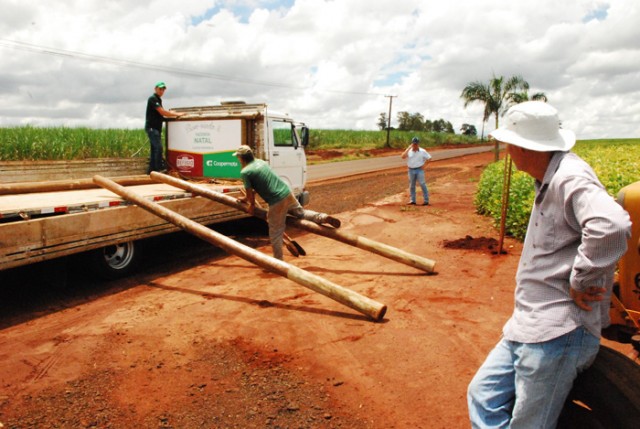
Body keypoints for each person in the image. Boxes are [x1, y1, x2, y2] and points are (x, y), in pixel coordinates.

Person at [467, 101, 631, 428]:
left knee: (530, 423)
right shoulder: (548, 176)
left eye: (510, 143)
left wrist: (581, 280)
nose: (508, 150)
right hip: (527, 322)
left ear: (525, 146)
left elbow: (612, 224)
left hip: (557, 331)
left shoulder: (569, 177)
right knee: (482, 394)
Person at [233, 145, 341, 260]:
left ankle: (279, 262)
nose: (238, 159)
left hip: (276, 201)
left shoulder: (245, 172)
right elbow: (255, 188)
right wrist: (245, 199)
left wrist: (252, 206)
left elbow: (250, 193)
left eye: (238, 157)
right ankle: (323, 217)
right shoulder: (261, 163)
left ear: (242, 158)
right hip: (287, 193)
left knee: (275, 233)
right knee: (301, 214)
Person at [145, 81, 185, 174]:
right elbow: (162, 112)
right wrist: (176, 114)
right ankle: (158, 169)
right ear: (155, 89)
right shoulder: (153, 99)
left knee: (154, 149)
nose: (161, 91)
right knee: (158, 148)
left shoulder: (158, 99)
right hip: (152, 128)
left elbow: (160, 115)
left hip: (155, 129)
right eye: (160, 89)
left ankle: (150, 171)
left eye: (163, 89)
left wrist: (168, 116)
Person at [401, 137, 432, 205]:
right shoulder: (409, 151)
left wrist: (424, 165)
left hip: (419, 170)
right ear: (412, 144)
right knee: (412, 185)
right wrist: (408, 148)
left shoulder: (422, 151)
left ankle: (426, 200)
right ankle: (413, 200)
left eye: (416, 144)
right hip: (411, 170)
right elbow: (403, 156)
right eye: (414, 144)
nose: (415, 145)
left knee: (422, 184)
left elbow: (429, 158)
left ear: (418, 144)